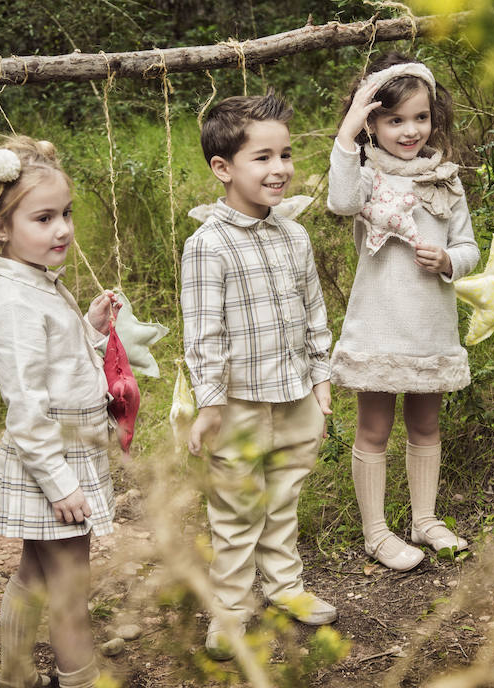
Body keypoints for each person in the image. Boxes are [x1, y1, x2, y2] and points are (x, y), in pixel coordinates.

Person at [0, 136, 119, 688]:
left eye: (65, 214)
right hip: (51, 461)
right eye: (43, 218)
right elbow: (27, 403)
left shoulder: (37, 283)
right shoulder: (15, 304)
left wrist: (90, 328)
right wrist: (61, 484)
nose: (62, 229)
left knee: (37, 572)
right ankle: (80, 678)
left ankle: (15, 675)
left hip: (57, 454)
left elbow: (57, 366)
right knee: (69, 588)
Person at [182, 92, 337, 660]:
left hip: (295, 393)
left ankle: (286, 588)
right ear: (223, 168)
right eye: (263, 158)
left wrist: (321, 380)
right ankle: (229, 610)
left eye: (286, 155)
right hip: (240, 404)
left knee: (284, 497)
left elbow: (313, 311)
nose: (280, 170)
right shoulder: (207, 246)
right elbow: (203, 335)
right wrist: (210, 403)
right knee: (237, 509)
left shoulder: (293, 235)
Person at [327, 53, 481, 571]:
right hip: (380, 323)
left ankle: (425, 519)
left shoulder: (445, 179)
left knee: (426, 424)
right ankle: (375, 531)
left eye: (420, 117)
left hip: (430, 325)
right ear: (371, 123)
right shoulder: (366, 176)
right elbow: (341, 201)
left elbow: (469, 246)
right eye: (394, 120)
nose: (410, 130)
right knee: (374, 426)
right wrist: (348, 134)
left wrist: (449, 261)